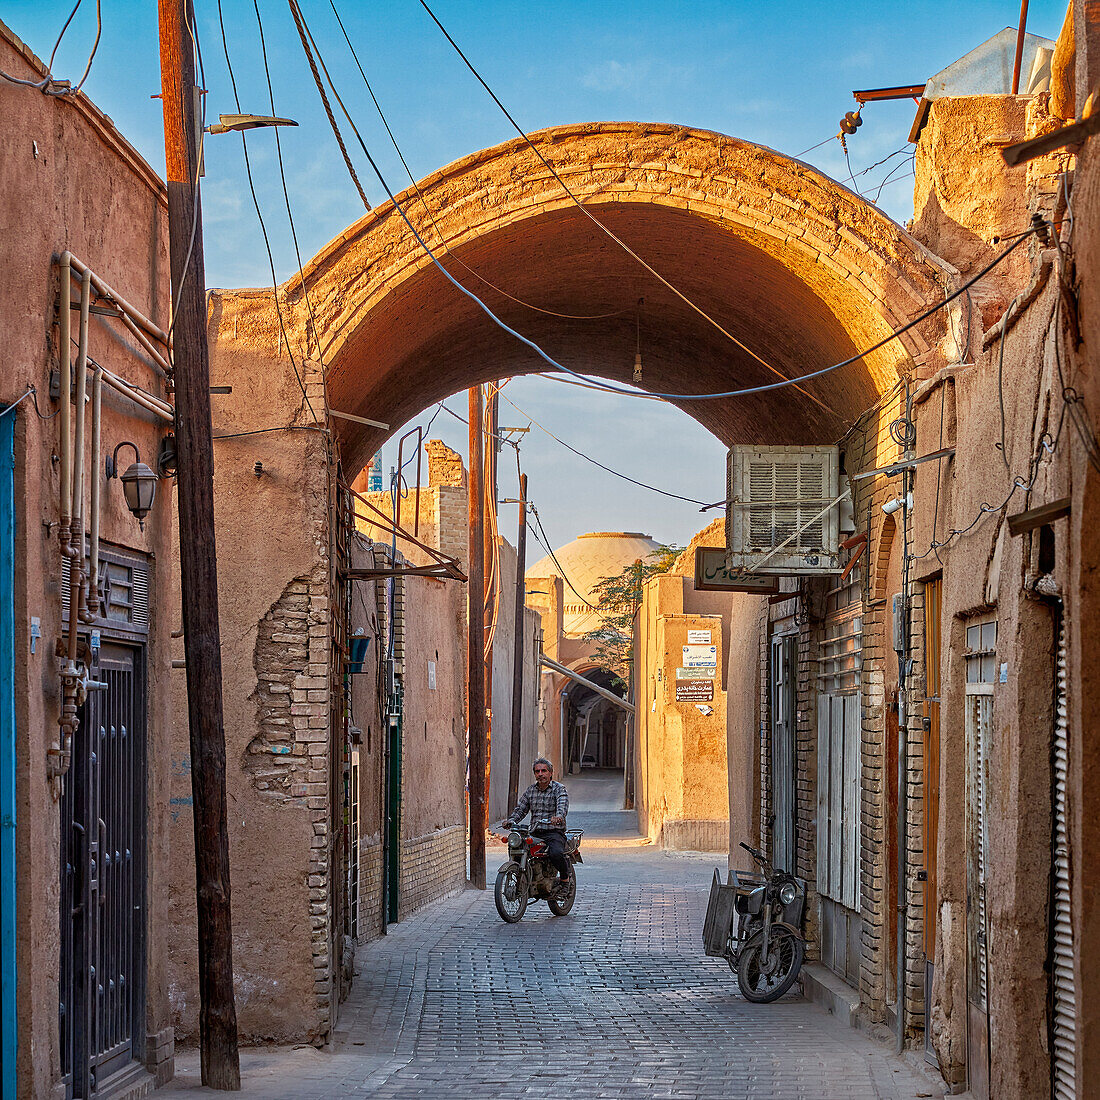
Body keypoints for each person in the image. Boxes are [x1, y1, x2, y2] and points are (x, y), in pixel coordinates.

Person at [503, 757, 571, 892]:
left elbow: (562, 806)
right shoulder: (530, 791)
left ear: (550, 773)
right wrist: (511, 821)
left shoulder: (559, 789)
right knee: (516, 848)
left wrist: (558, 817)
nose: (540, 774)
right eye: (537, 771)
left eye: (544, 771)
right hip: (534, 832)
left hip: (553, 832)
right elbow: (521, 809)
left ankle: (565, 880)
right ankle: (524, 876)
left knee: (556, 853)